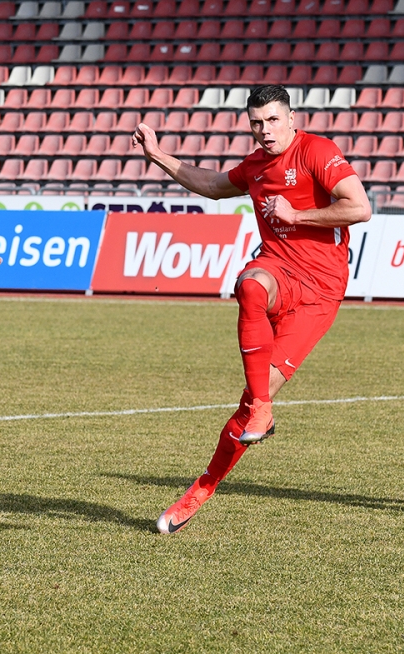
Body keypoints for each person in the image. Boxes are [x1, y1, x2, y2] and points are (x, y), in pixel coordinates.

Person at [132, 85, 372, 534]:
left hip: (320, 292)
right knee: (250, 285)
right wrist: (158, 155)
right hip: (278, 268)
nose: (265, 130)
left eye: (273, 120)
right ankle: (263, 408)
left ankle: (202, 487)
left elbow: (359, 208)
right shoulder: (255, 166)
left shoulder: (317, 151)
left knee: (245, 407)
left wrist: (296, 216)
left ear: (292, 118)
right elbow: (213, 185)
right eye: (257, 123)